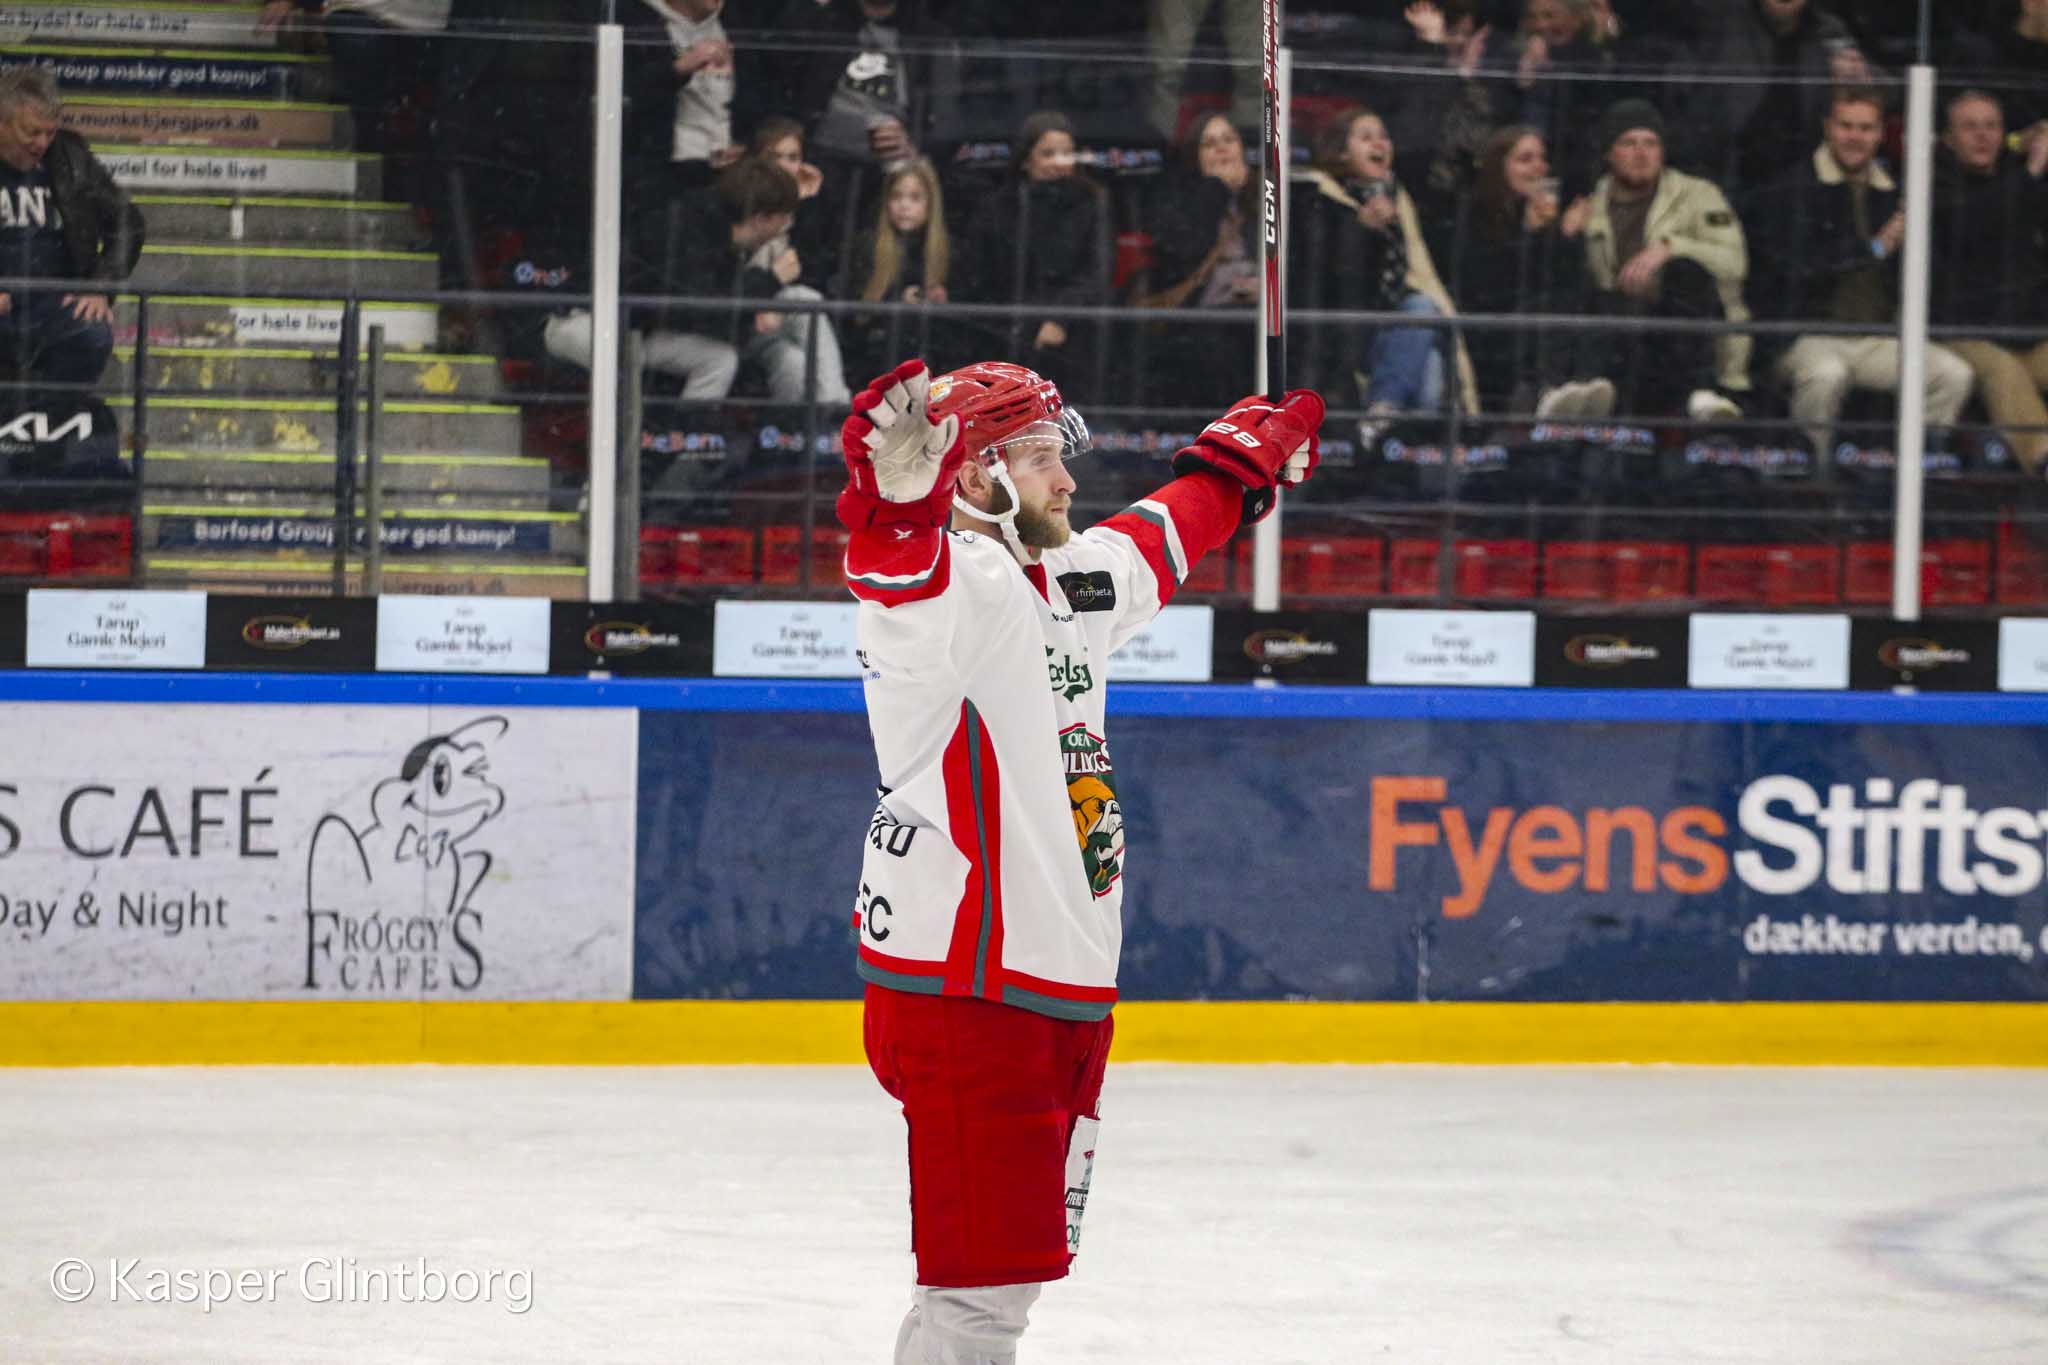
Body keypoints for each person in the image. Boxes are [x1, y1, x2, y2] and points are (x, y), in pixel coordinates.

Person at [836, 354, 1323, 1365]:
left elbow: (1157, 538)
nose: (1066, 481)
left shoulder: (1063, 575)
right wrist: (892, 508)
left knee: (1001, 1285)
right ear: (974, 477)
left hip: (1048, 989)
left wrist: (1237, 469)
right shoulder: (953, 589)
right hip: (972, 990)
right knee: (980, 1292)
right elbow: (896, 576)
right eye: (1044, 458)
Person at [1754, 86, 1974, 460]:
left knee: (1953, 373)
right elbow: (1792, 268)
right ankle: (1812, 477)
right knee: (1827, 375)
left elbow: (1930, 275)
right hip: (1807, 334)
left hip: (1876, 338)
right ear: (1828, 128)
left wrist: (1915, 242)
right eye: (1846, 126)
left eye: (1866, 128)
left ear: (1879, 134)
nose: (1855, 137)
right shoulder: (1792, 187)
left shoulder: (1897, 192)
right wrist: (1873, 248)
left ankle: (1912, 475)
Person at [542, 157, 848, 404]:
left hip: (648, 328)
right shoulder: (686, 225)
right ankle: (670, 458)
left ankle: (832, 417)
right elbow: (697, 305)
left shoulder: (722, 227)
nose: (787, 227)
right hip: (594, 324)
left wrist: (762, 303)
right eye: (785, 219)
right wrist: (769, 282)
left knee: (796, 329)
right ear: (761, 219)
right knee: (719, 358)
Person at [1293, 104, 1477, 438]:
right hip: (1344, 332)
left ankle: (1388, 436)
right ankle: (1387, 420)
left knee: (1431, 364)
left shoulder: (1397, 197)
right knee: (1422, 313)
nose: (1380, 144)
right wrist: (1359, 231)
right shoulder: (1319, 199)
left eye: (1384, 136)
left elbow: (1417, 271)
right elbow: (1325, 280)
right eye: (1366, 137)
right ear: (1341, 152)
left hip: (1394, 325)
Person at [1578, 99, 1751, 422]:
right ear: (1608, 153)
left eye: (1651, 143)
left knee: (1685, 271)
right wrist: (1566, 236)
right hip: (1623, 343)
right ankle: (1572, 389)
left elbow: (1735, 263)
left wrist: (1671, 247)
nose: (1642, 153)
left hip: (1688, 341)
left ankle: (1701, 390)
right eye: (1629, 143)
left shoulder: (1699, 194)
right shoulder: (1590, 205)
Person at [1441, 125, 1605, 419]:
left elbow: (1570, 281)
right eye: (1525, 159)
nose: (1538, 167)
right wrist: (1529, 235)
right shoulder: (1472, 212)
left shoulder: (1547, 209)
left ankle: (1572, 388)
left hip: (1544, 329)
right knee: (1548, 309)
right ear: (1499, 166)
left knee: (1582, 303)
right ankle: (1546, 388)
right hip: (1492, 332)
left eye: (1542, 158)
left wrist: (1564, 235)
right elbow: (1489, 288)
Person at [0, 68, 142, 395]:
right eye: (31, 132)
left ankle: (51, 418)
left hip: (53, 306)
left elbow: (128, 222)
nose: (42, 143)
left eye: (49, 133)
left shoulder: (69, 155)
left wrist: (98, 288)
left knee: (92, 333)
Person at [1931, 89, 2048, 476]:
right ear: (1948, 138)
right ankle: (2043, 460)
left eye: (1991, 126)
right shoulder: (1936, 182)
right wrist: (2031, 171)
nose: (1982, 136)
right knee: (2002, 371)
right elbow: (1977, 225)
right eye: (1970, 127)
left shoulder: (2018, 181)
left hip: (2026, 335)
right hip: (1964, 334)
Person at [955, 111, 1109, 396]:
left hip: (1071, 338)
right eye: (1048, 153)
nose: (1059, 163)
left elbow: (1095, 273)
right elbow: (977, 275)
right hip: (1005, 337)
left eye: (1067, 153)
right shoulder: (999, 207)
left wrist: (1058, 318)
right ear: (1027, 159)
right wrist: (1020, 326)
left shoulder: (1091, 203)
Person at [1136, 112, 1259, 404]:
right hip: (1201, 318)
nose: (1222, 149)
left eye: (1229, 140)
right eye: (1209, 144)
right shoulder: (1177, 198)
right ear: (1195, 156)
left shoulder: (1266, 194)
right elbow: (1183, 251)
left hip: (1258, 314)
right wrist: (1215, 189)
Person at [845, 158, 959, 378]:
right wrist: (897, 302)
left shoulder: (951, 250)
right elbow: (855, 319)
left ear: (930, 203)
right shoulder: (867, 246)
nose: (904, 206)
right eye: (896, 196)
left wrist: (943, 301)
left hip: (937, 362)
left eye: (915, 198)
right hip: (877, 361)